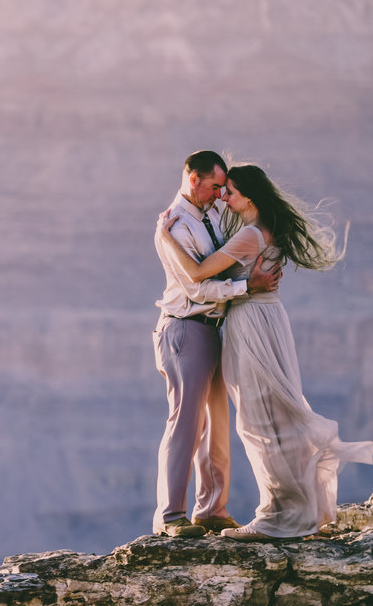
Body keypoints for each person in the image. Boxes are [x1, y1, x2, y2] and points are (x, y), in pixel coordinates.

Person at [158, 162, 373, 540]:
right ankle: (295, 509)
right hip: (267, 320)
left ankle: (277, 515)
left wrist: (167, 238)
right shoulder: (262, 231)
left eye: (231, 191)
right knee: (274, 416)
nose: (224, 197)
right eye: (220, 188)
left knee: (258, 422)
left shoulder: (249, 236)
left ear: (250, 198)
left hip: (250, 325)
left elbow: (196, 274)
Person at [152, 151, 281, 538]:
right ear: (194, 179)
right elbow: (195, 285)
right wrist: (247, 287)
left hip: (212, 328)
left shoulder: (206, 216)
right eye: (214, 186)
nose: (219, 194)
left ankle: (210, 509)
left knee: (216, 426)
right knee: (186, 423)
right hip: (186, 328)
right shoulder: (175, 225)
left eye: (224, 188)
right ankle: (171, 516)